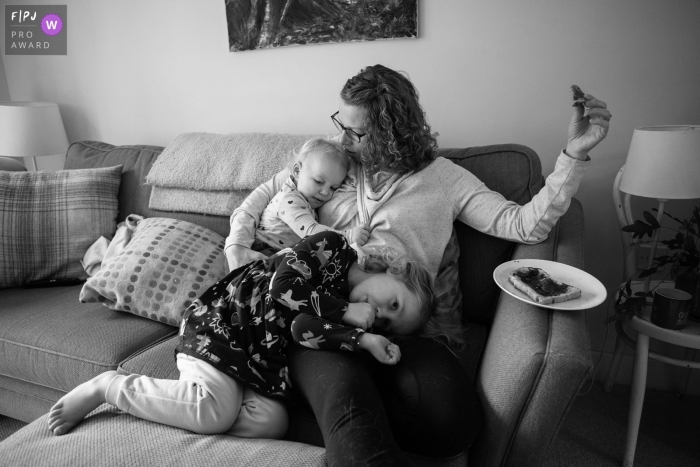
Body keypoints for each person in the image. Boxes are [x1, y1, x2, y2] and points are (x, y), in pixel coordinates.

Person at [225, 64, 611, 465]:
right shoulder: (333, 163)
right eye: (340, 123)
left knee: (454, 424)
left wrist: (573, 156)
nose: (342, 138)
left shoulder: (444, 179)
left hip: (403, 323)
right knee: (351, 412)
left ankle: (320, 396)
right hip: (323, 317)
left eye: (356, 132)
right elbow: (264, 194)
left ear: (391, 130)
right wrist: (236, 242)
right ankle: (337, 396)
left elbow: (524, 226)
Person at [47, 231, 437, 438]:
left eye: (386, 322)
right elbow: (283, 287)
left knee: (272, 424)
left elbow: (303, 330)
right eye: (393, 305)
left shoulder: (349, 316)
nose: (379, 314)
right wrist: (347, 311)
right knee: (214, 413)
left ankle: (197, 408)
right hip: (224, 326)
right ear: (395, 273)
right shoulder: (333, 248)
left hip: (255, 361)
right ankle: (108, 387)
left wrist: (365, 339)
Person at [253, 137, 370, 254]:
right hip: (263, 252)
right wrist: (348, 236)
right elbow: (311, 231)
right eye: (318, 181)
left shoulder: (306, 200)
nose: (325, 192)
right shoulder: (289, 199)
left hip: (281, 254)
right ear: (297, 171)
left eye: (333, 188)